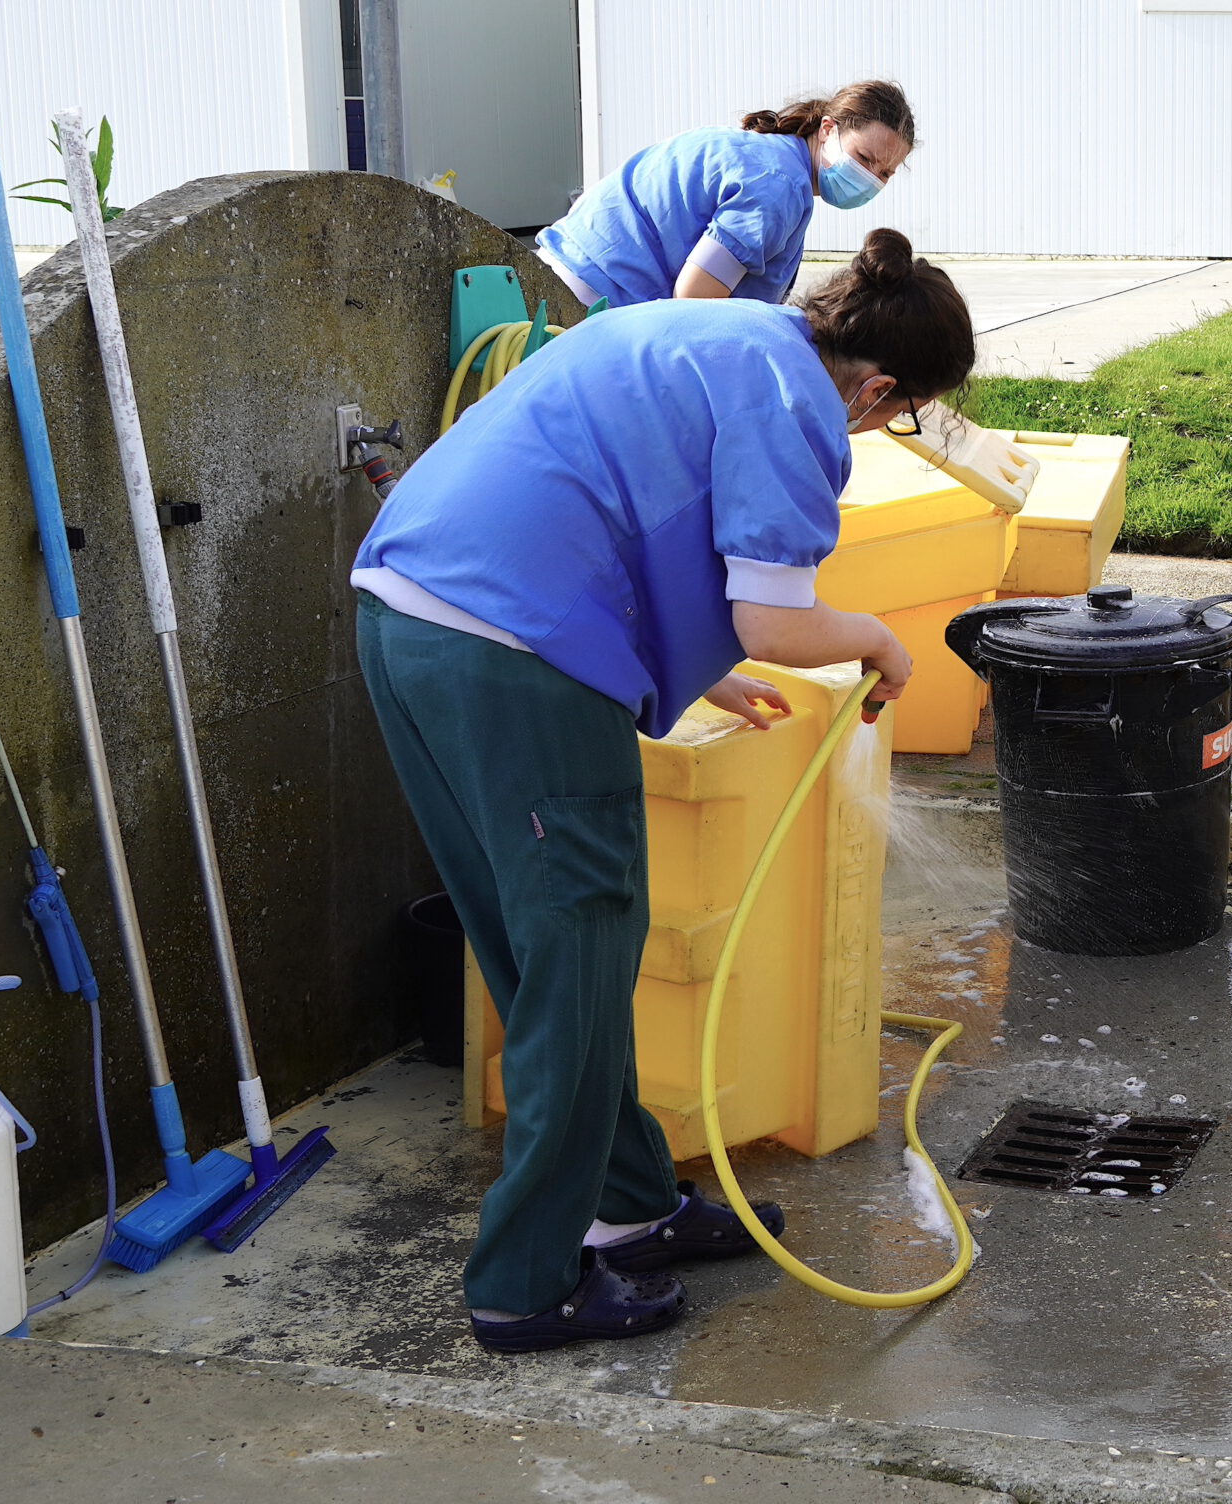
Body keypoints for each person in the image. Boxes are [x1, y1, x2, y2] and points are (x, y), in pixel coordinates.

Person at [351, 229, 973, 1352]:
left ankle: (631, 1202)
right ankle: (526, 1281)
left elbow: (624, 493)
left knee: (544, 952)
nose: (883, 428)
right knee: (579, 958)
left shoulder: (714, 331)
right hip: (520, 654)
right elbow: (782, 615)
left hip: (409, 615)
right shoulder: (796, 405)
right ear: (880, 387)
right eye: (900, 414)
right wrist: (878, 641)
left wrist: (699, 661)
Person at [536, 81, 915, 309]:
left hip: (562, 271)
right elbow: (695, 301)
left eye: (884, 173)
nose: (869, 178)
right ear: (828, 130)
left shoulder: (769, 156)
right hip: (587, 300)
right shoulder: (779, 186)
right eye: (864, 158)